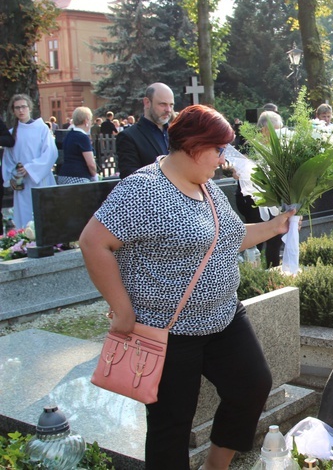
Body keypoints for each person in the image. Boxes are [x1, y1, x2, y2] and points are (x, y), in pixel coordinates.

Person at [78, 104, 295, 470]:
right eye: (218, 149)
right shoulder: (143, 189)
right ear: (195, 146)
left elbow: (226, 236)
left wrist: (275, 228)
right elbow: (92, 242)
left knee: (253, 385)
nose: (223, 158)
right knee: (171, 425)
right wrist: (122, 308)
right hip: (169, 331)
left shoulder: (205, 186)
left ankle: (216, 466)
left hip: (224, 318)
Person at [234, 110, 285, 267]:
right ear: (264, 129)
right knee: (258, 237)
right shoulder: (249, 146)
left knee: (275, 238)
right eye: (275, 130)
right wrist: (237, 172)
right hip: (252, 199)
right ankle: (254, 272)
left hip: (273, 198)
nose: (278, 134)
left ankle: (273, 271)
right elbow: (237, 167)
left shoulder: (280, 147)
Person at [1, 94, 58, 229]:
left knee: (43, 215)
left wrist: (30, 168)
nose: (21, 110)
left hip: (40, 179)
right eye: (17, 108)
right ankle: (24, 245)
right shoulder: (12, 133)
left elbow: (50, 153)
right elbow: (8, 160)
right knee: (24, 219)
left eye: (23, 107)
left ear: (29, 108)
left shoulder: (41, 128)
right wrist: (15, 173)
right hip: (22, 183)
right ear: (13, 111)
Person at [116, 82, 175, 179]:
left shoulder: (176, 132)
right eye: (163, 104)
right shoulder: (129, 136)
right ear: (147, 102)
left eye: (171, 105)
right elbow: (130, 177)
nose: (168, 109)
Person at [57, 107, 98, 184]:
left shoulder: (68, 135)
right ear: (86, 120)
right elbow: (90, 164)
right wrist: (95, 177)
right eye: (90, 120)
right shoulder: (83, 137)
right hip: (79, 177)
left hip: (63, 176)